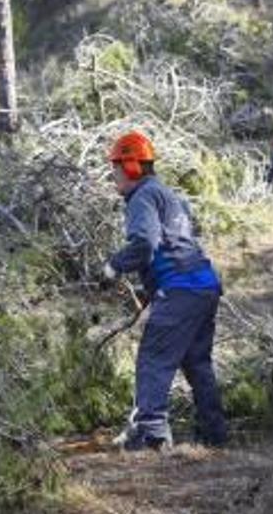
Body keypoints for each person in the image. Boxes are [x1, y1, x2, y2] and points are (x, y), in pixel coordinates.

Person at [102, 130, 227, 451]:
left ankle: (151, 434)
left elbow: (144, 243)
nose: (113, 175)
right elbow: (176, 245)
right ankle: (214, 434)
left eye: (115, 168)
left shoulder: (142, 196)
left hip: (181, 288)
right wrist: (151, 291)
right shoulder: (168, 195)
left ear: (130, 167)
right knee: (197, 362)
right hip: (204, 285)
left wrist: (114, 266)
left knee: (153, 358)